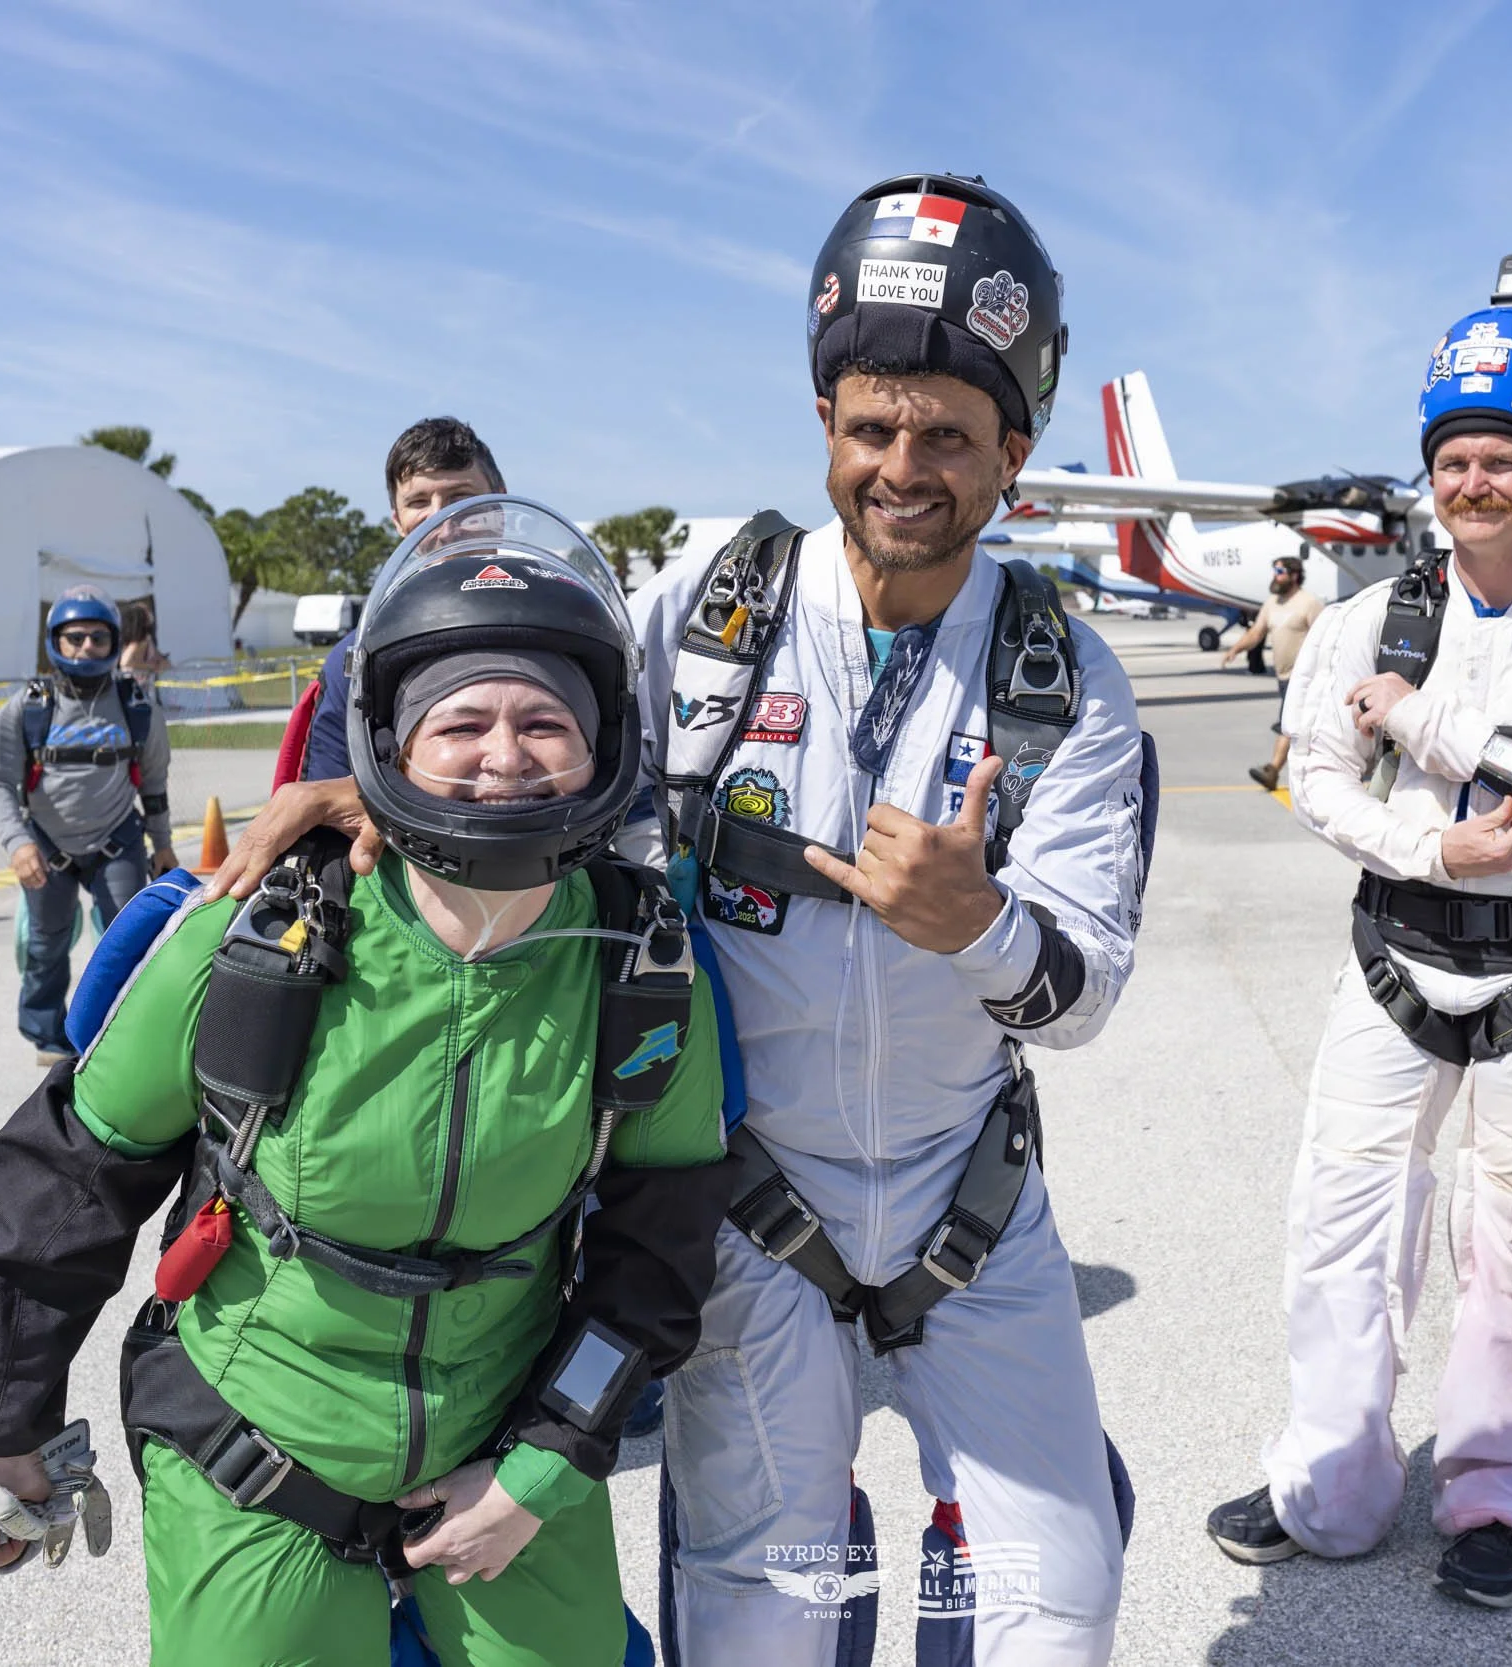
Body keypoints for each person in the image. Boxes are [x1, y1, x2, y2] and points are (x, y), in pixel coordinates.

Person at [210, 172, 1150, 1665]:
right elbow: (538, 746)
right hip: (747, 1209)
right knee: (759, 1616)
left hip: (971, 1200)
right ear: (827, 424)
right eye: (871, 427)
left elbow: (1084, 991)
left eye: (948, 437)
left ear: (1015, 455)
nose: (903, 467)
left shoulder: (1065, 676)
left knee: (1062, 1604)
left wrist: (975, 922)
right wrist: (376, 797)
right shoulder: (710, 604)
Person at [0, 498, 735, 1665]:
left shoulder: (641, 969)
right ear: (390, 747)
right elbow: (71, 1172)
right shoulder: (260, 944)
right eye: (460, 722)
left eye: (544, 719)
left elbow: (660, 1250)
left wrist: (542, 1465)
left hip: (503, 1448)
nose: (504, 754)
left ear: (604, 741)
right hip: (255, 1450)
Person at [1205, 271, 1512, 1609]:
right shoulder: (1368, 617)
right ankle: (1331, 1481)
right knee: (1341, 1218)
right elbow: (1315, 774)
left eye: (1505, 458)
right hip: (1397, 951)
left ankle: (1496, 1487)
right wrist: (1434, 844)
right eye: (1454, 458)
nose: (1474, 481)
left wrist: (1432, 726)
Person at [0, 589, 179, 1064]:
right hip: (47, 847)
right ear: (56, 642)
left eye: (97, 637)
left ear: (114, 642)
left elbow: (153, 784)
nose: (86, 648)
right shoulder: (24, 710)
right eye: (75, 639)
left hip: (118, 841)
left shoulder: (138, 708)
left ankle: (118, 1028)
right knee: (46, 942)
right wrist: (18, 844)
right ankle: (47, 1035)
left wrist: (164, 845)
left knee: (129, 939)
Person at [298, 417, 509, 782]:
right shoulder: (362, 654)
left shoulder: (567, 624)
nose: (443, 523)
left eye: (461, 499)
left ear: (500, 506)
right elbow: (325, 789)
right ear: (398, 521)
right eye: (419, 502)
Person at [1220, 554, 1325, 789]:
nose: (1275, 577)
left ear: (1294, 575)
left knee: (1289, 723)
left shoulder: (1309, 603)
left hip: (1305, 677)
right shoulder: (1272, 604)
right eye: (1275, 571)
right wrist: (1235, 649)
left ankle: (1273, 770)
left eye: (1280, 572)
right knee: (1298, 725)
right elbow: (1257, 632)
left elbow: (1327, 636)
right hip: (1283, 677)